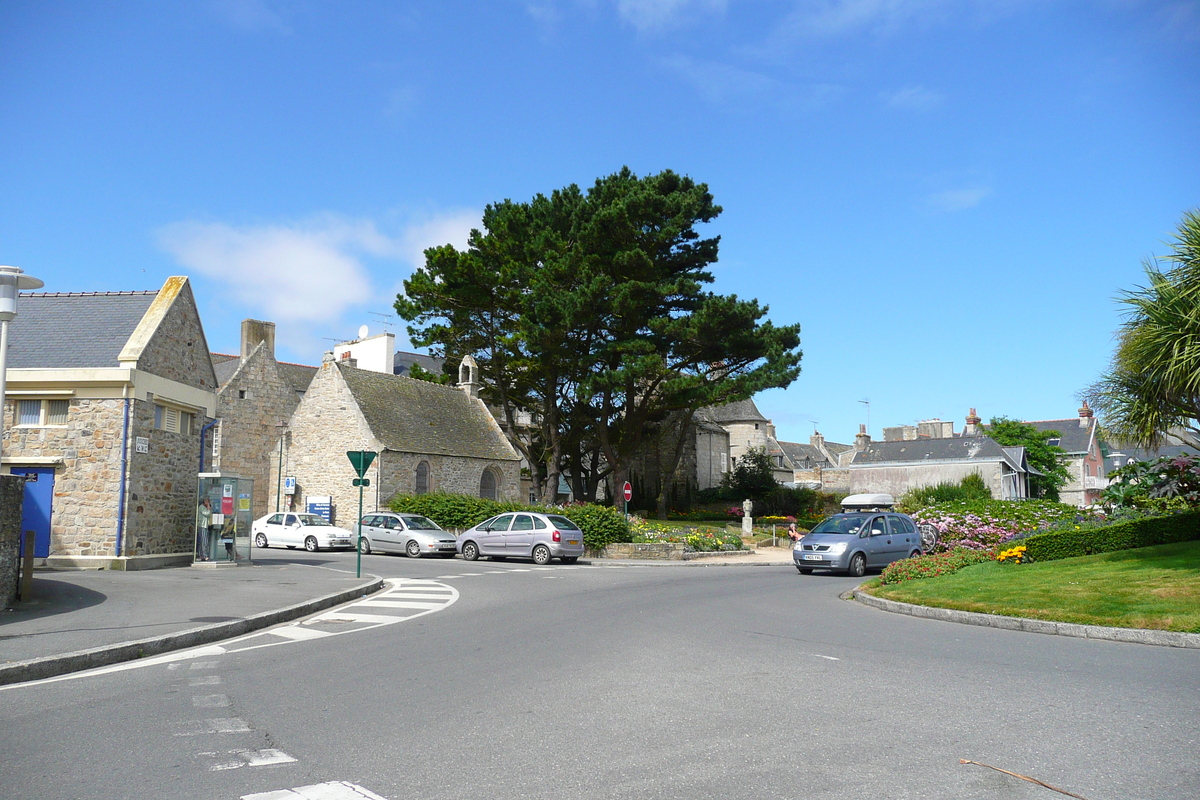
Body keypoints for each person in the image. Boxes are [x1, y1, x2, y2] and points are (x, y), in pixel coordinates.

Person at [195, 497, 212, 561]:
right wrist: (208, 506)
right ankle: (205, 555)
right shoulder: (201, 507)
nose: (209, 503)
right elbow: (208, 514)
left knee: (202, 541)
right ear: (204, 502)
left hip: (205, 526)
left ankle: (201, 554)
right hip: (202, 526)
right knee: (204, 541)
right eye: (208, 501)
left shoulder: (205, 508)